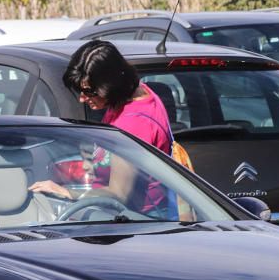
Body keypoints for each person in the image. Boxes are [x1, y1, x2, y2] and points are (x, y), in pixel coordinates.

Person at [28, 40, 191, 216]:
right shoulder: (137, 93)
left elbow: (119, 194)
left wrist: (66, 192)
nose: (82, 98)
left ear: (112, 84)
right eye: (80, 91)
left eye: (90, 91)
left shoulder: (132, 123)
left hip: (135, 220)